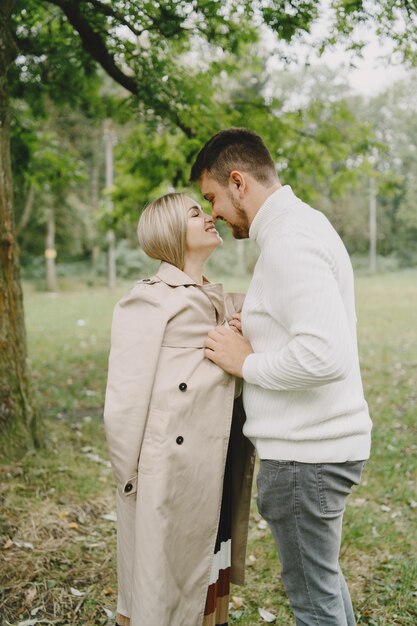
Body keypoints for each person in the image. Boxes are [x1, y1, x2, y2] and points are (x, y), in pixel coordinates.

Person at [190, 128, 373, 626]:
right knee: (323, 583)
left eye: (212, 198)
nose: (213, 215)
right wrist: (259, 321)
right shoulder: (297, 227)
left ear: (237, 181)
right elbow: (307, 325)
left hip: (305, 457)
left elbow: (323, 355)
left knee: (313, 603)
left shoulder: (289, 240)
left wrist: (244, 361)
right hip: (315, 450)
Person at [103, 192, 255, 626]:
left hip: (215, 461)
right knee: (164, 584)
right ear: (171, 232)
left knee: (208, 564)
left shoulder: (218, 297)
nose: (210, 216)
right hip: (169, 470)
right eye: (195, 213)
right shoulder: (149, 299)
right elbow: (125, 398)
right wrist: (131, 480)